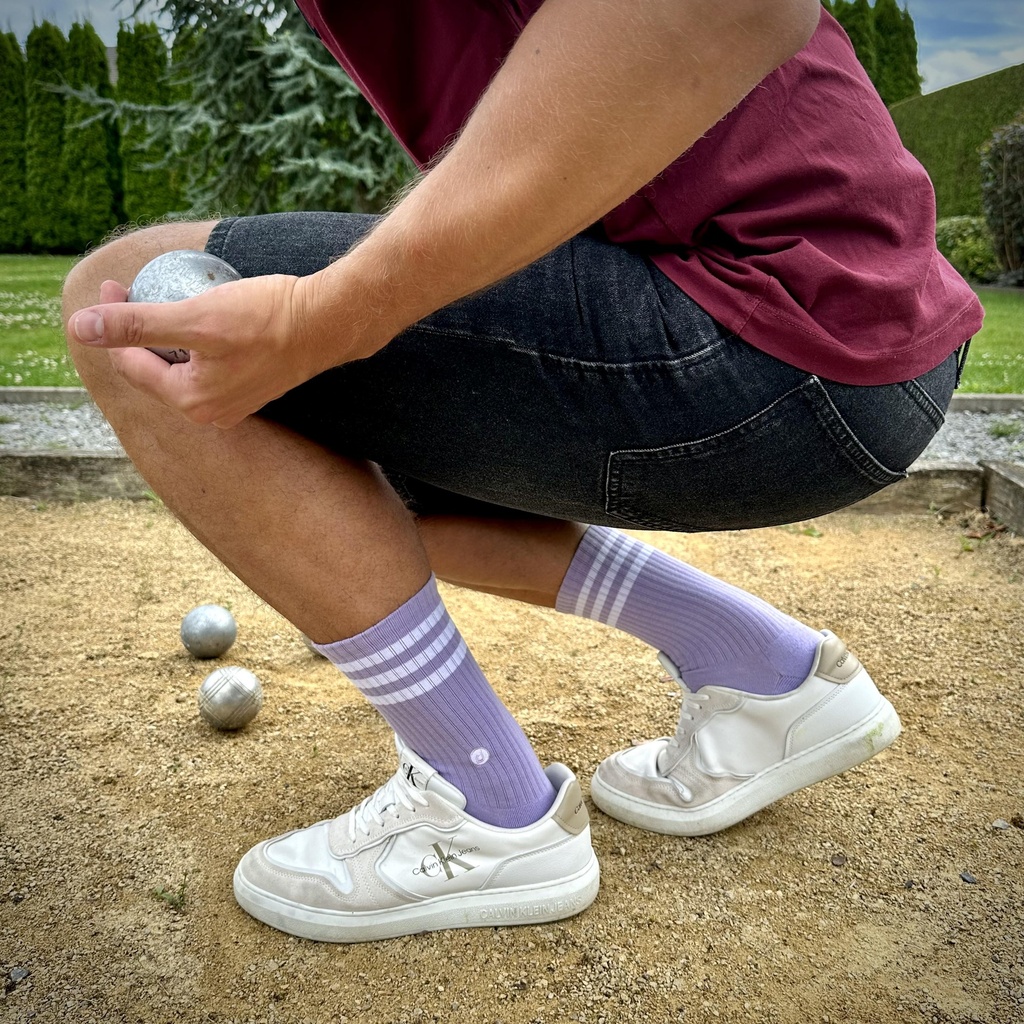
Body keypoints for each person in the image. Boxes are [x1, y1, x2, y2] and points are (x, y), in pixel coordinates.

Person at [63, 0, 982, 944]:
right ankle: (768, 674)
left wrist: (322, 317)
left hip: (767, 318)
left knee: (146, 287)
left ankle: (488, 806)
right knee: (403, 507)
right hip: (868, 322)